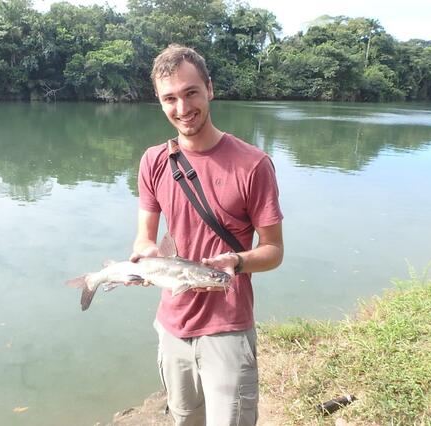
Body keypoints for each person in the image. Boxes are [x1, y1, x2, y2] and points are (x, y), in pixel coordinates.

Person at [130, 44, 284, 426]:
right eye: (170, 98)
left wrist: (237, 261)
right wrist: (148, 260)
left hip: (228, 327)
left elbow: (274, 251)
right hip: (172, 324)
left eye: (191, 92)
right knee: (184, 420)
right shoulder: (153, 161)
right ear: (160, 102)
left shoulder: (253, 164)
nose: (182, 109)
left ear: (209, 89)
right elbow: (143, 240)